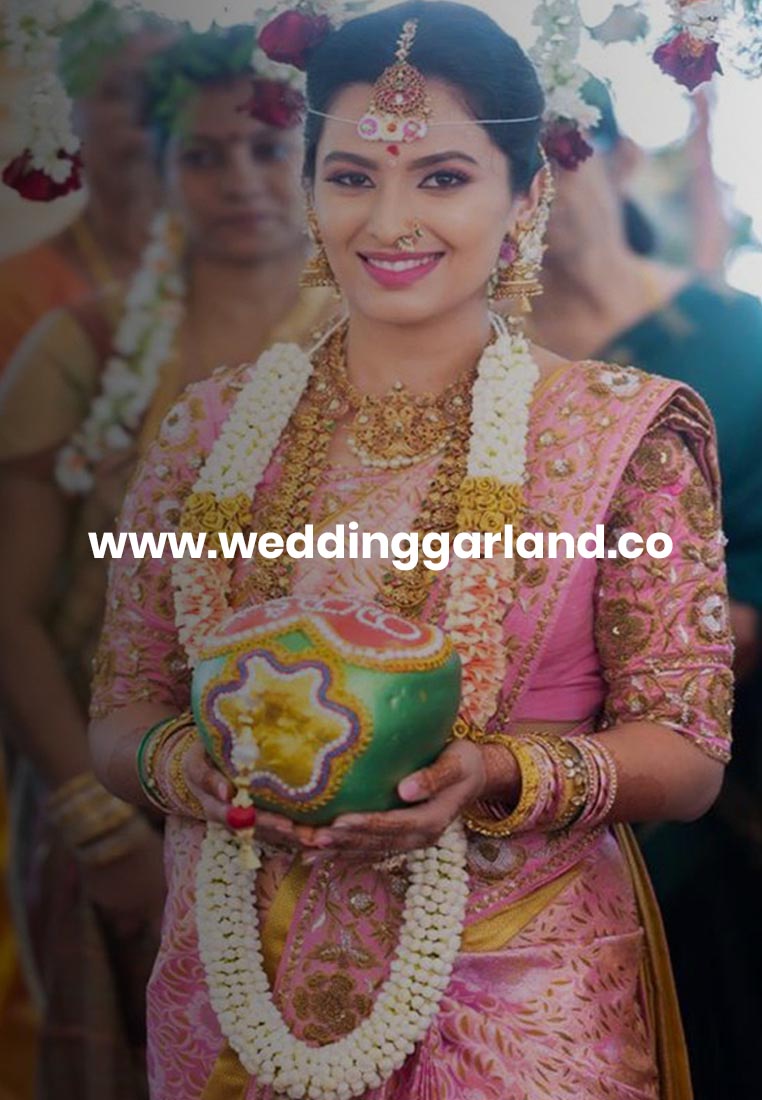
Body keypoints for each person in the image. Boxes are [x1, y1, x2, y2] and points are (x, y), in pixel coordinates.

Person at [88, 4, 732, 1097]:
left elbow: (687, 753)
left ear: (526, 194)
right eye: (350, 177)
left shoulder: (621, 434)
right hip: (233, 992)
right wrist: (181, 766)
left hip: (521, 994)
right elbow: (122, 712)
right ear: (307, 191)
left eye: (442, 177)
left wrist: (491, 770)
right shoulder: (210, 430)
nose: (390, 220)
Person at [0, 22, 336, 1100]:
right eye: (201, 155)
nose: (239, 179)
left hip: (343, 798)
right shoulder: (82, 345)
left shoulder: (387, 335)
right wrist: (96, 816)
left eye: (266, 147)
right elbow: (7, 607)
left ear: (314, 155)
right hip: (118, 791)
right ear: (160, 169)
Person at [530, 77, 762, 1100]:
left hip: (707, 780)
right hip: (506, 787)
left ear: (622, 161)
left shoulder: (739, 345)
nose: (538, 186)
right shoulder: (479, 366)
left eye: (561, 151)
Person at [0, 0, 173, 371]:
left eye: (163, 88)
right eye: (117, 92)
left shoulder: (246, 270)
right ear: (67, 115)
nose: (145, 118)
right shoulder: (15, 293)